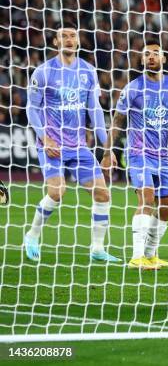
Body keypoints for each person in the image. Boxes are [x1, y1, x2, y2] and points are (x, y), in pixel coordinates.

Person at [25, 22, 118, 263]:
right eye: (63, 36)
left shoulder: (88, 71)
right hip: (52, 145)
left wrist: (107, 147)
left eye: (72, 35)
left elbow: (95, 111)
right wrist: (45, 138)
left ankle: (97, 248)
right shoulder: (43, 72)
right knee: (57, 192)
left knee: (102, 195)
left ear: (78, 41)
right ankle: (32, 235)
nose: (68, 39)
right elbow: (31, 109)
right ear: (55, 42)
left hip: (78, 146)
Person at [101, 38, 168, 270]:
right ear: (141, 60)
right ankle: (137, 255)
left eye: (155, 53)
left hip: (161, 156)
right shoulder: (133, 89)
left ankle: (150, 255)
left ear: (164, 58)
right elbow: (118, 121)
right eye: (146, 54)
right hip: (138, 153)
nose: (151, 57)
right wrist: (108, 151)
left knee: (167, 203)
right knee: (147, 199)